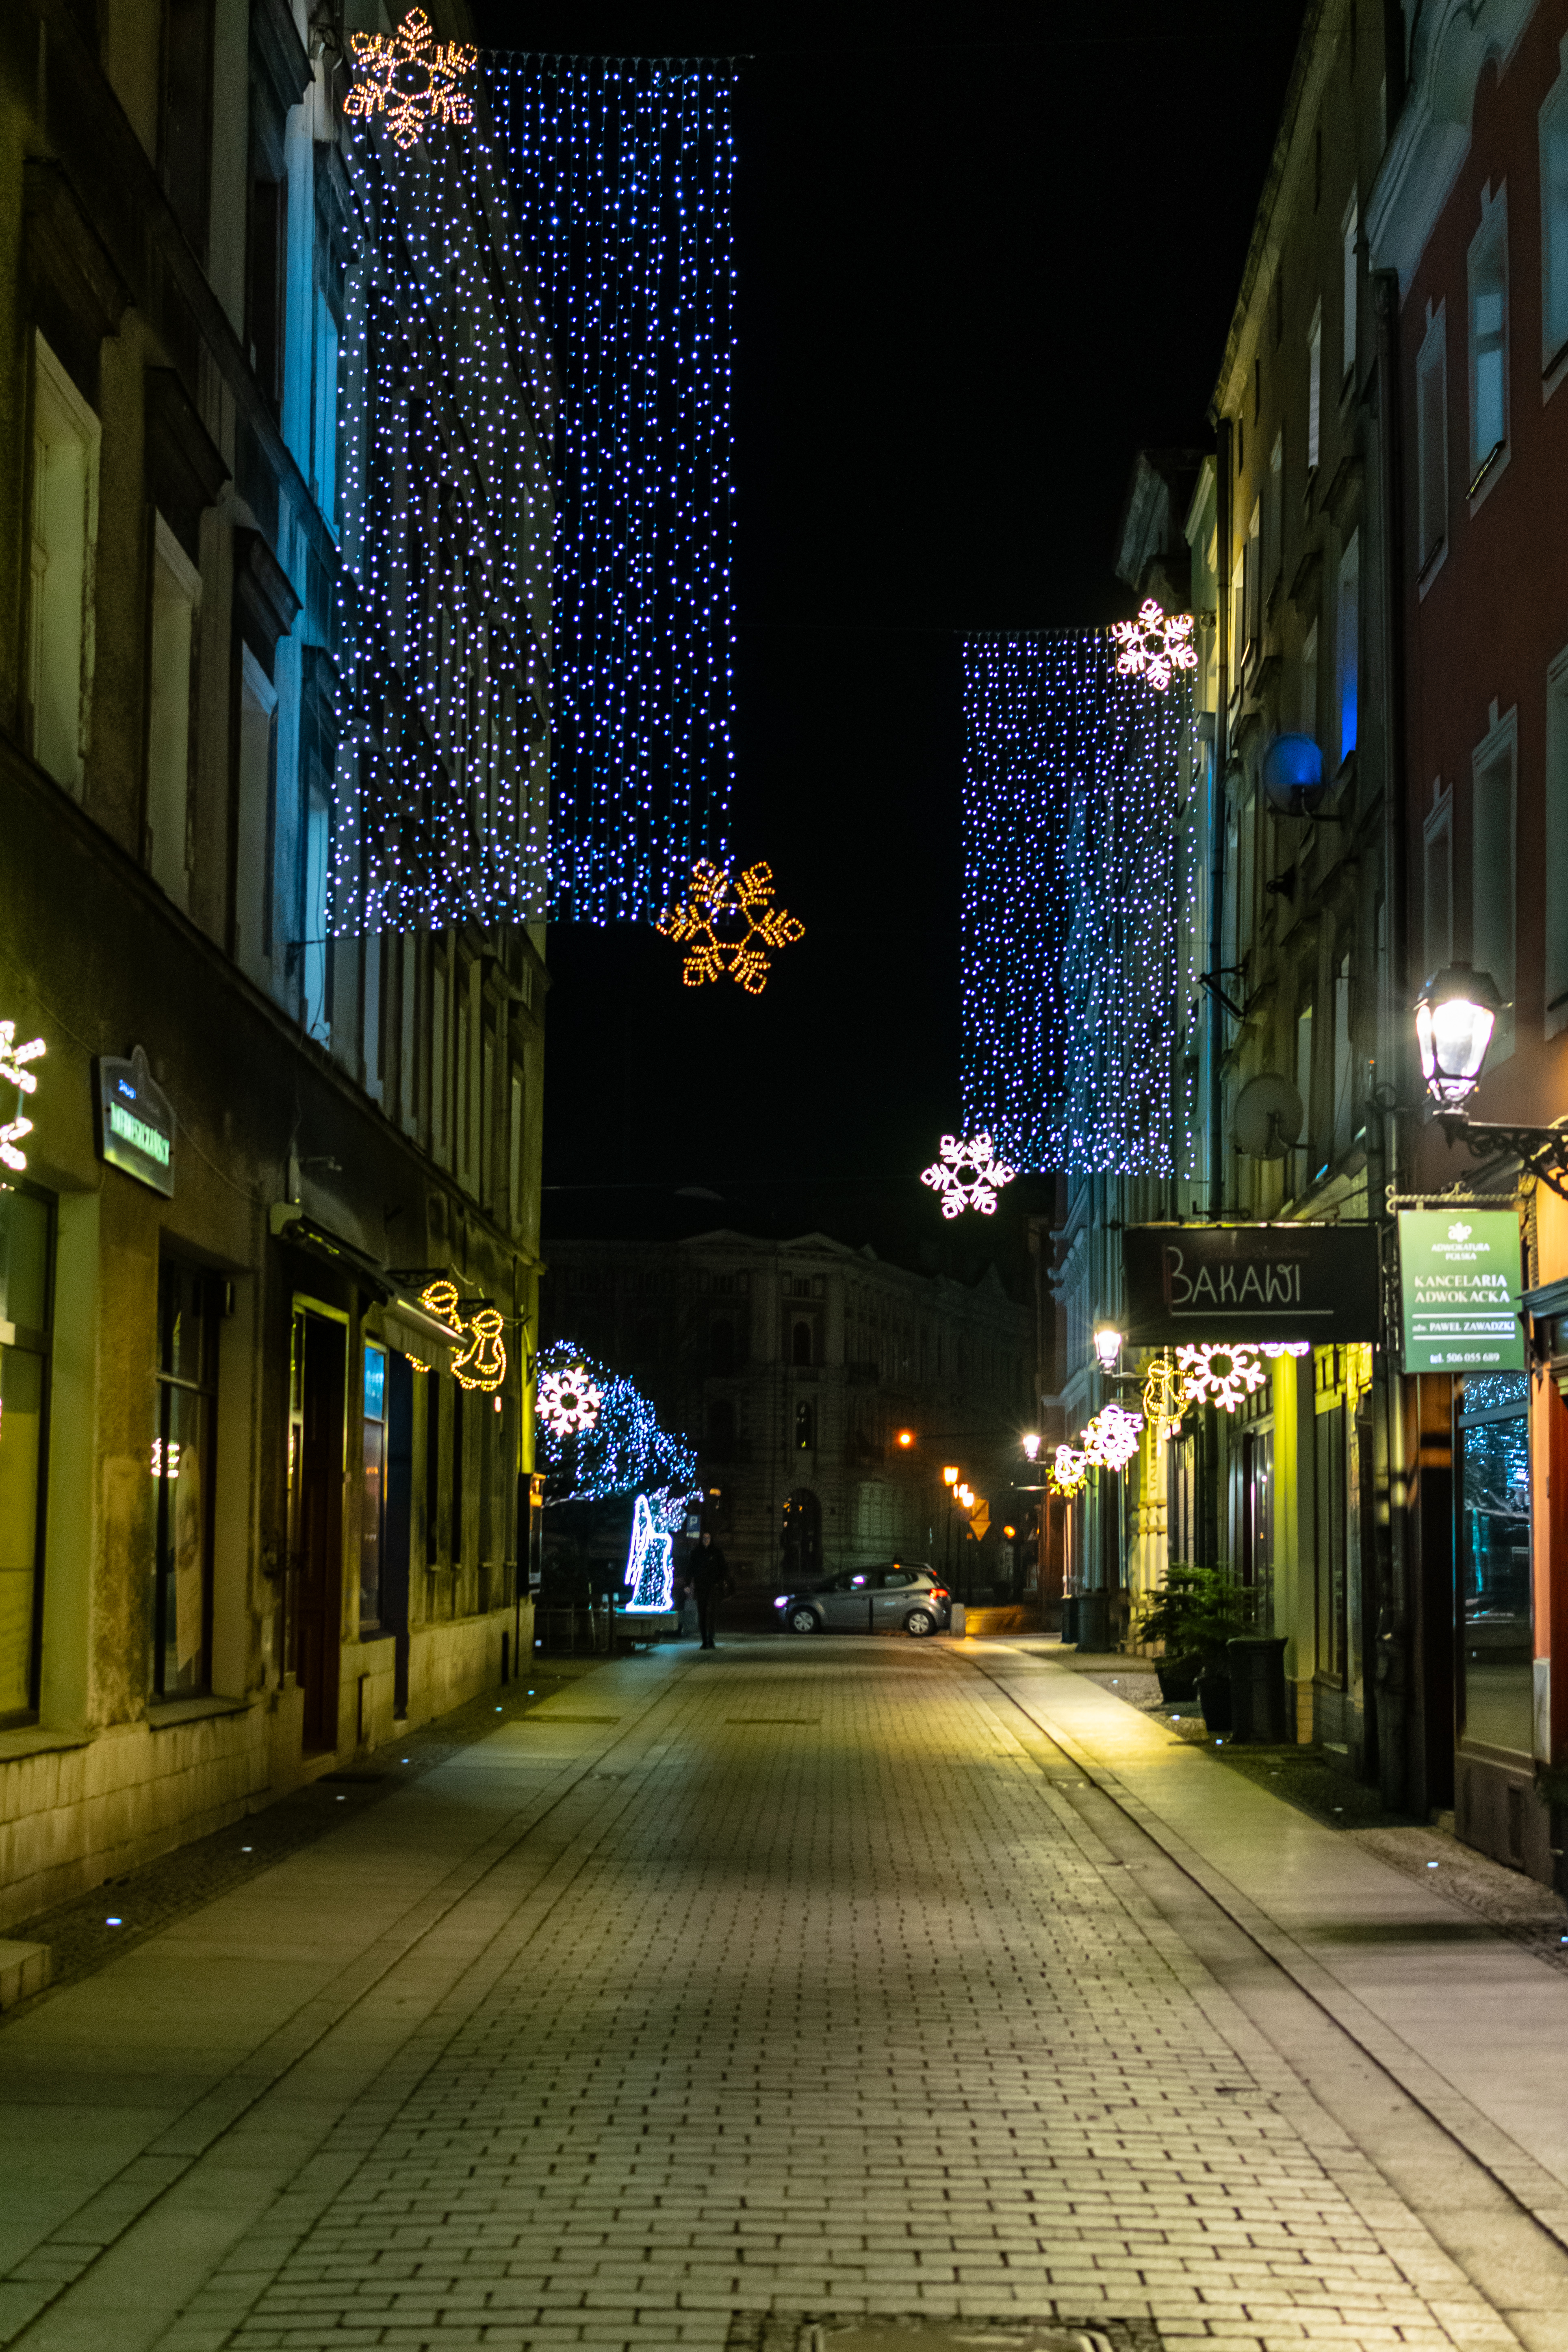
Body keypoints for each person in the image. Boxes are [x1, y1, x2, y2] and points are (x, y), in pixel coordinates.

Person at [688, 1529, 731, 1650]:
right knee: (703, 1614)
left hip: (713, 1587)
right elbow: (691, 1568)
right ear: (701, 1540)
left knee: (712, 1614)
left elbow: (723, 1568)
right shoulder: (696, 1553)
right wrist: (689, 1583)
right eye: (704, 1539)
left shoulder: (716, 1553)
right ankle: (704, 1640)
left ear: (711, 1540)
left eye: (708, 1539)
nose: (706, 1541)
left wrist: (721, 1582)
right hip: (701, 1587)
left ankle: (711, 1639)